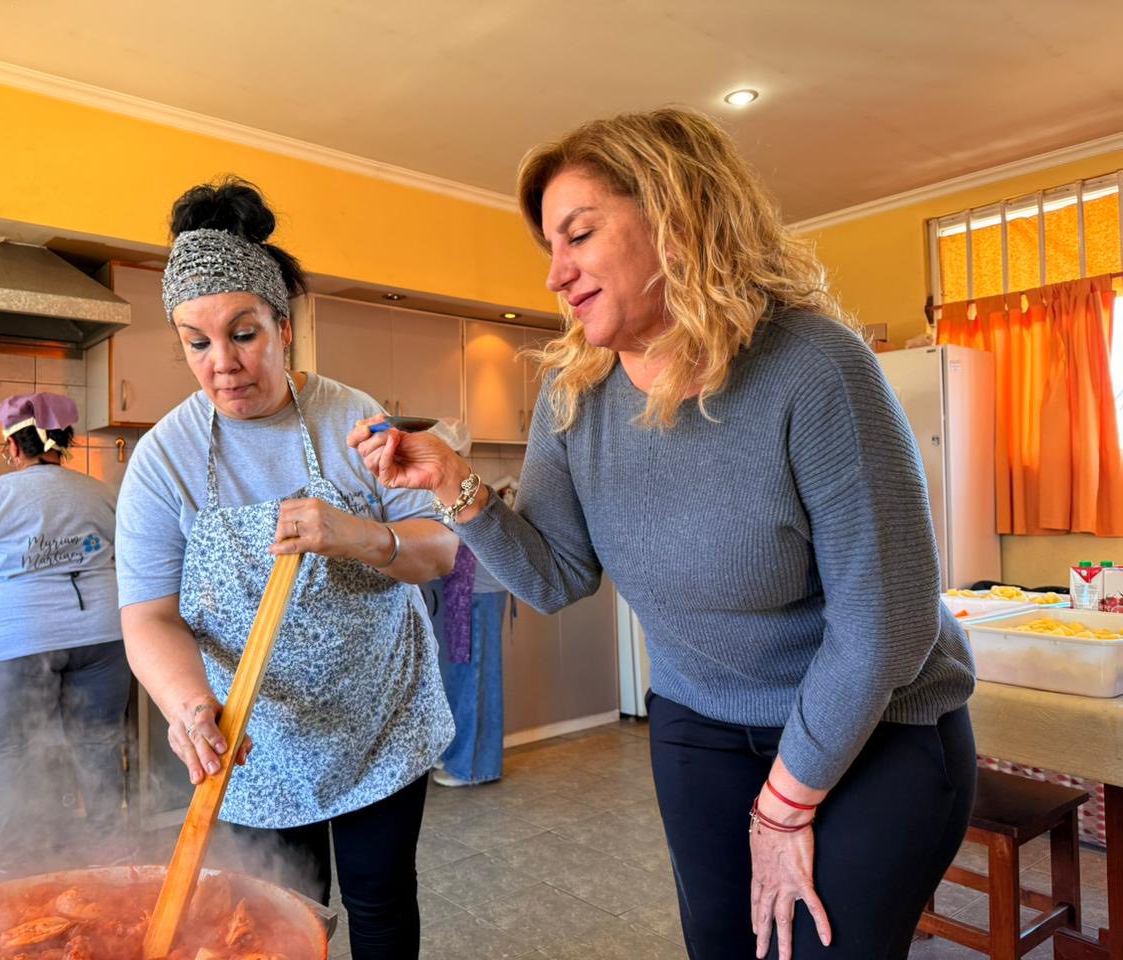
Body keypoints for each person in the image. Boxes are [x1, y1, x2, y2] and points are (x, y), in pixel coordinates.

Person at [351, 108, 977, 960]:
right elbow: (555, 576)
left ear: (678, 219)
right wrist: (453, 486)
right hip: (701, 721)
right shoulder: (574, 397)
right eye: (550, 248)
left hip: (875, 726)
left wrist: (783, 807)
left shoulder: (815, 368)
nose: (556, 275)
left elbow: (887, 630)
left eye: (579, 235)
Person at [115, 177, 457, 959]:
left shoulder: (352, 418)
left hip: (379, 721)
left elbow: (438, 551)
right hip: (252, 737)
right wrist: (189, 707)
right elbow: (148, 616)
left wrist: (357, 535)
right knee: (274, 924)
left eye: (244, 334)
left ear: (284, 328)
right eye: (197, 343)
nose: (223, 365)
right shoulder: (165, 458)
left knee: (380, 903)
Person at [0, 392, 129, 879]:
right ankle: (113, 866)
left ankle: (16, 872)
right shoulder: (100, 493)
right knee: (99, 745)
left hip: (20, 637)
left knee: (14, 753)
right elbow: (130, 556)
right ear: (63, 441)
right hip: (102, 633)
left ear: (13, 446)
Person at [421, 420, 508, 788]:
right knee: (457, 674)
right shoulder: (444, 487)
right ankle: (458, 755)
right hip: (458, 589)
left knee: (473, 676)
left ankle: (473, 767)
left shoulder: (464, 487)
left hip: (477, 592)